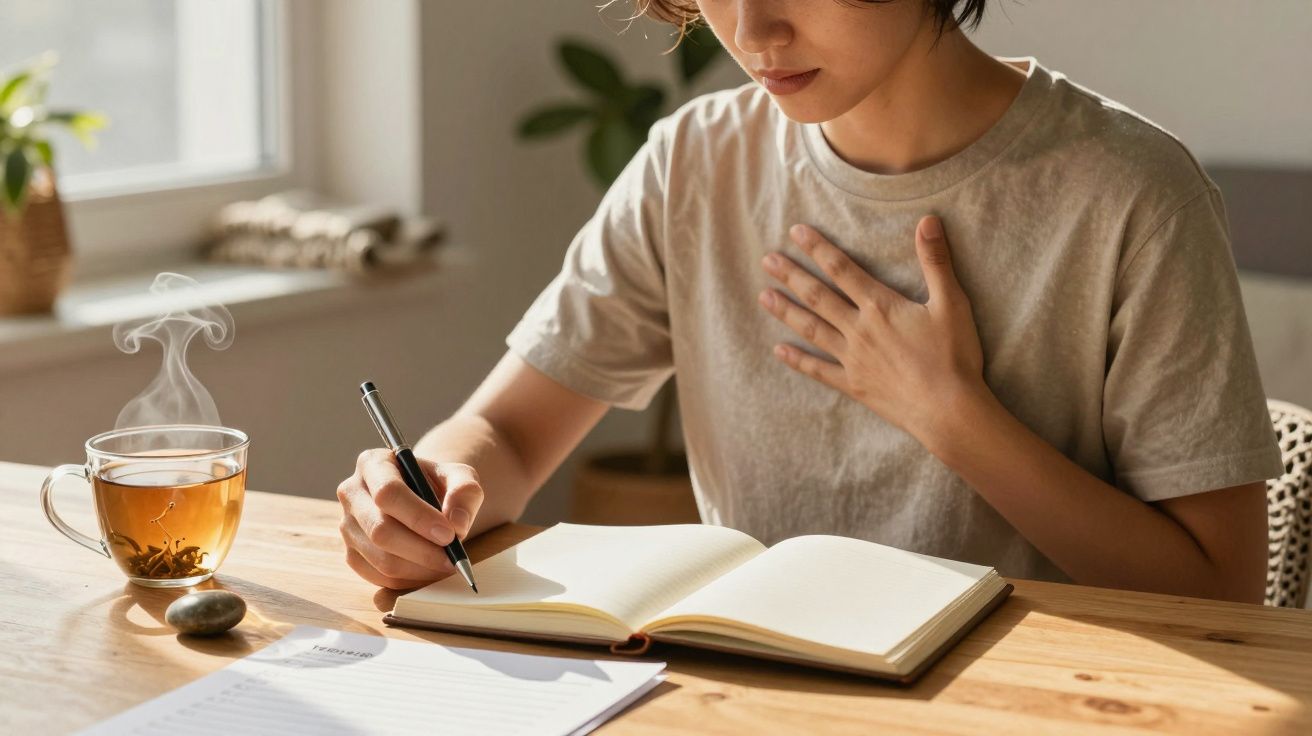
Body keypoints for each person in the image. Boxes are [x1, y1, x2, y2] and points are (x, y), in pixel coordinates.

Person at [336, 0, 1282, 602]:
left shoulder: (1133, 193)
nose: (752, 32)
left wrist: (952, 417)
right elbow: (505, 433)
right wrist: (427, 492)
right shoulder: (694, 161)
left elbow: (1221, 593)